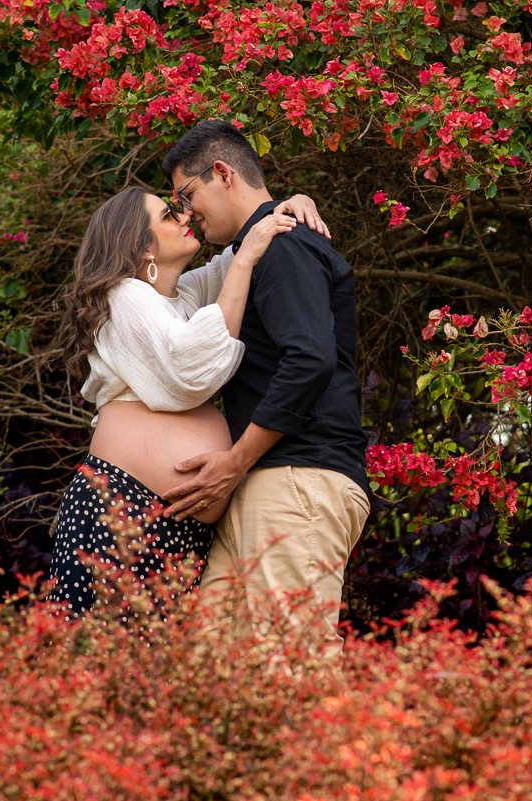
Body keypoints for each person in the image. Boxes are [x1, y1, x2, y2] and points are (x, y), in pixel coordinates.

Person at [46, 184, 326, 617]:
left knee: (164, 673)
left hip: (171, 527)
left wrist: (290, 206)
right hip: (120, 510)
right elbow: (188, 372)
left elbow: (233, 258)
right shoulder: (124, 296)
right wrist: (247, 257)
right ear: (141, 249)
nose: (184, 216)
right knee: (102, 664)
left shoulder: (177, 298)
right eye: (166, 216)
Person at [159, 121, 370, 654]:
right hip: (266, 485)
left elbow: (310, 360)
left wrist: (234, 460)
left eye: (187, 194)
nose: (185, 212)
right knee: (217, 678)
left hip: (297, 480)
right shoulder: (258, 245)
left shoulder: (283, 245)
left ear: (223, 173)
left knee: (294, 668)